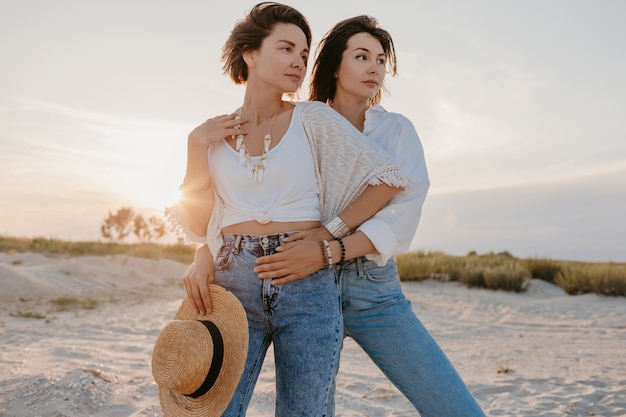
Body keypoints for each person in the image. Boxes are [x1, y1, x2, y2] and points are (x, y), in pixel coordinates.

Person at [166, 3, 409, 416]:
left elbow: (387, 178)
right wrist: (195, 148)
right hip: (232, 282)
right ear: (251, 54)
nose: (298, 61)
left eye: (303, 53)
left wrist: (330, 231)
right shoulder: (214, 134)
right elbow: (200, 219)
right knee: (215, 409)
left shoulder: (313, 119)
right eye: (286, 48)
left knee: (305, 411)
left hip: (307, 282)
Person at [253, 15, 486, 417]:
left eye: (381, 60)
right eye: (362, 56)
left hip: (372, 288)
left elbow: (403, 211)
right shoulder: (301, 123)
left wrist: (330, 249)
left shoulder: (396, 131)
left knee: (453, 406)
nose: (374, 67)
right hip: (304, 287)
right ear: (335, 65)